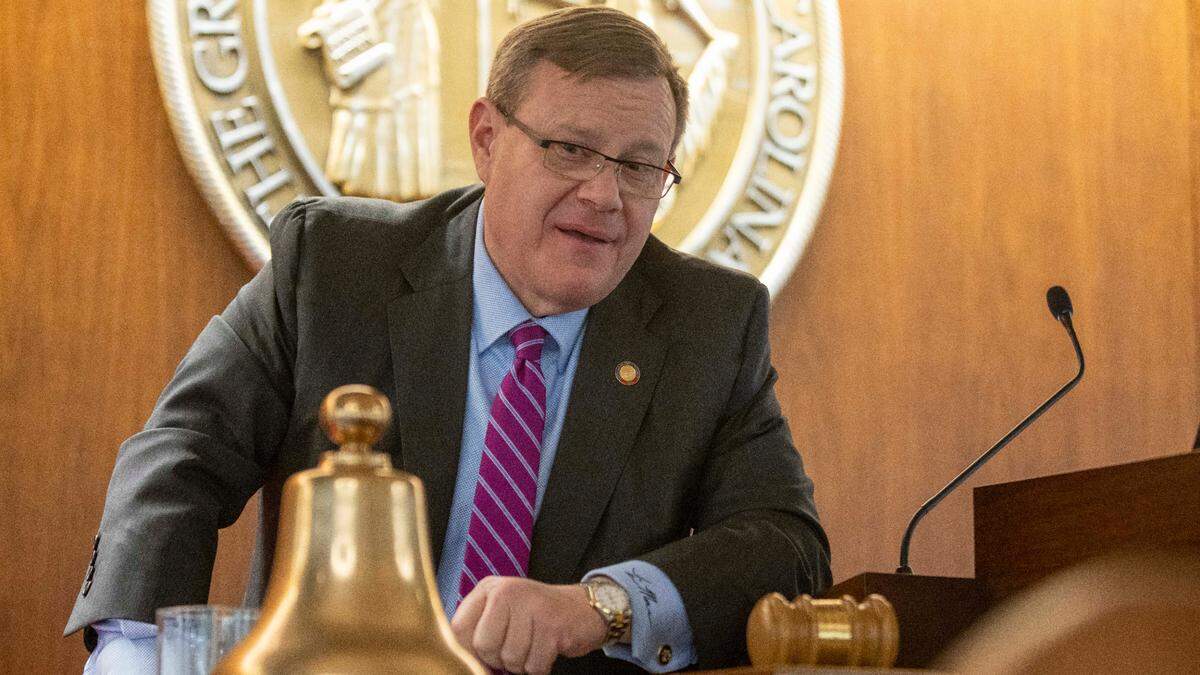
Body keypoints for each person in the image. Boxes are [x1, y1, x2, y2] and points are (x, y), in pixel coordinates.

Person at [65, 7, 830, 674]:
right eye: (570, 149)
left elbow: (786, 547)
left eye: (638, 166)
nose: (604, 196)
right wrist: (135, 652)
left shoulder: (710, 323)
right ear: (487, 139)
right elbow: (178, 461)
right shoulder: (335, 268)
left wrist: (602, 604)